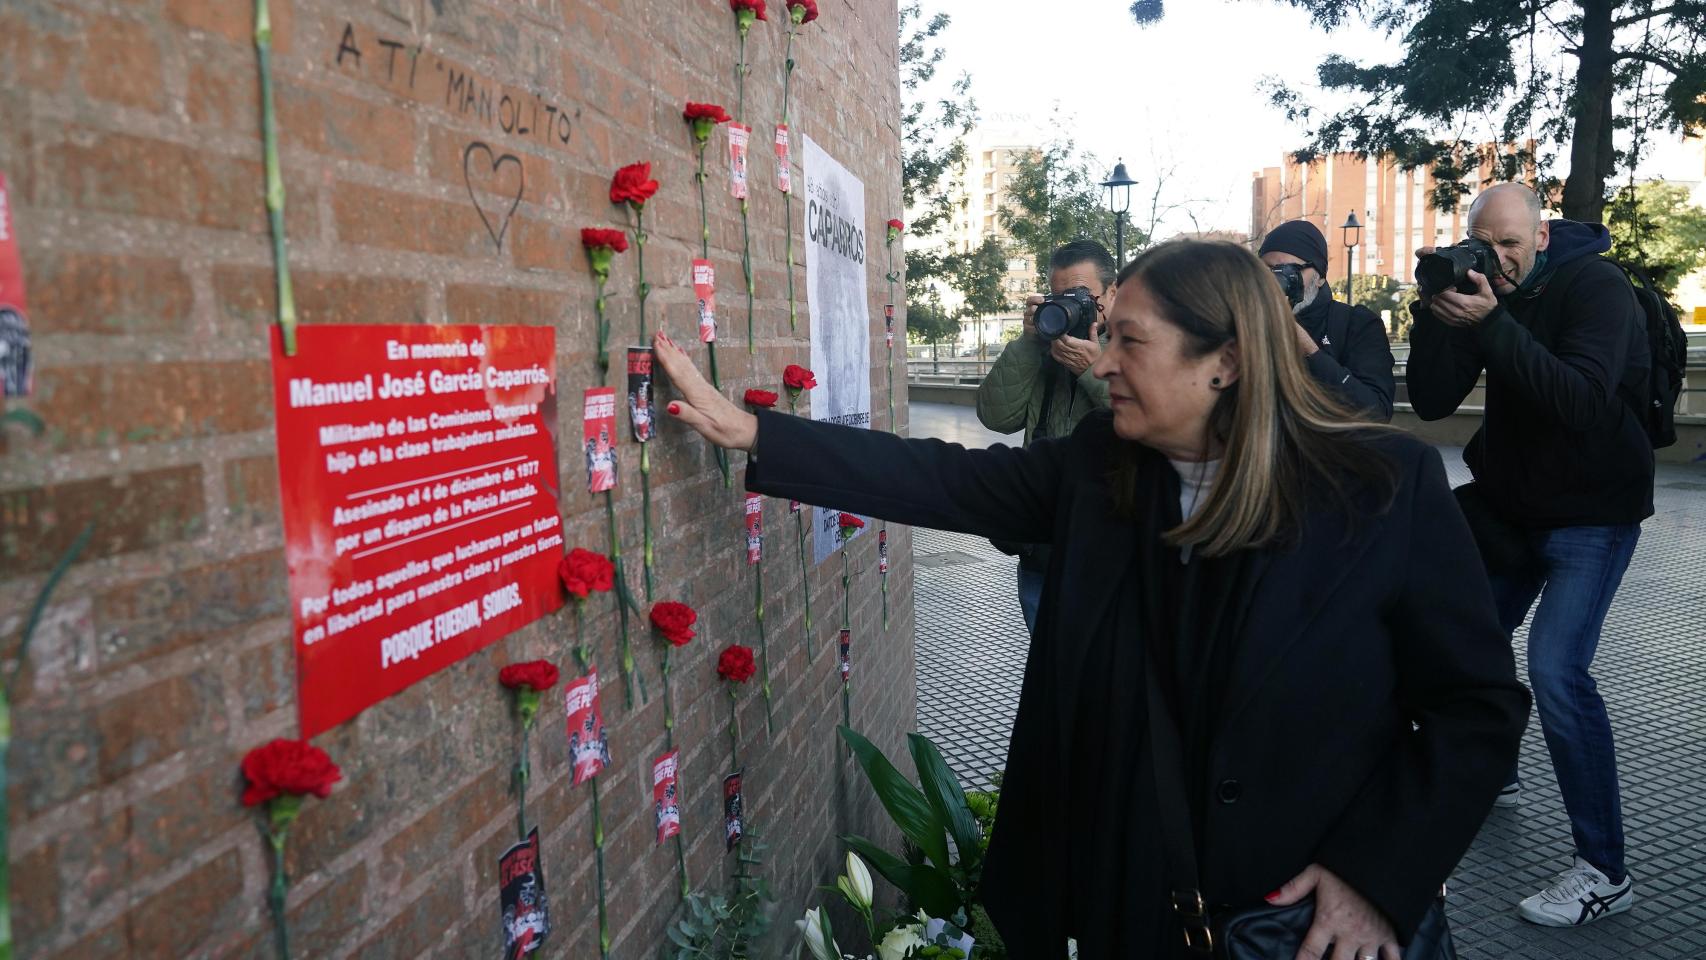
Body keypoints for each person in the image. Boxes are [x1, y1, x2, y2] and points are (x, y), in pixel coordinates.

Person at [654, 239, 1528, 959]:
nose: (1100, 361)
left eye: (1130, 342)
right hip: (1129, 911)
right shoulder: (1096, 470)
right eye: (1105, 335)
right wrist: (756, 433)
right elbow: (942, 479)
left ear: (1223, 361)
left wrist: (1378, 876)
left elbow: (1476, 708)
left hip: (1302, 927)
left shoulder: (1385, 486)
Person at [1407, 182, 1653, 928]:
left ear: (1542, 237)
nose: (1500, 258)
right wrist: (1437, 317)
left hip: (1592, 513)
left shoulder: (1596, 286)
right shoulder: (1485, 291)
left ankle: (1605, 872)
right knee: (1469, 642)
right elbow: (1430, 403)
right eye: (1489, 242)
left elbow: (1579, 398)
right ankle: (1496, 775)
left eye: (1512, 243)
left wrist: (1493, 324)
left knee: (1557, 669)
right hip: (1513, 510)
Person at [975, 240, 1114, 632]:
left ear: (1114, 292)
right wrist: (1028, 342)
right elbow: (996, 416)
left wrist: (1096, 370)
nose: (1070, 305)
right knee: (1047, 678)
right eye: (1059, 296)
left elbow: (1155, 427)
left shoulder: (1138, 349)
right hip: (1044, 555)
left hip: (1107, 559)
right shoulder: (1043, 351)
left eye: (1083, 296)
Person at [1258, 220, 1396, 421]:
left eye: (1290, 271)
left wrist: (1312, 354)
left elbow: (1376, 414)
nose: (1277, 281)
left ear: (1320, 276)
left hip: (1331, 451)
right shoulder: (1248, 323)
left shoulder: (1356, 324)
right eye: (1267, 270)